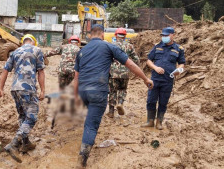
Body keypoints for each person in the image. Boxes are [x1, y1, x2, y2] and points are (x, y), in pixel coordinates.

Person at [74, 24, 153, 167]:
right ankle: (83, 157)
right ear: (103, 34)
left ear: (90, 35)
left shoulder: (82, 51)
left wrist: (75, 96)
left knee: (90, 117)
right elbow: (130, 64)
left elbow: (76, 77)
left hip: (82, 91)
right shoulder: (109, 46)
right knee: (91, 125)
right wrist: (145, 79)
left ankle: (87, 131)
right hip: (98, 90)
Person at [0, 34, 45, 163]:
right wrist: (43, 90)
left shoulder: (15, 51)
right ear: (34, 42)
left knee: (23, 116)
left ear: (22, 42)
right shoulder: (37, 50)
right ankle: (14, 144)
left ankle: (26, 143)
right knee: (32, 117)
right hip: (28, 88)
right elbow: (41, 72)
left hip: (15, 89)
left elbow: (5, 71)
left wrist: (0, 89)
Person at [142, 27, 185, 130]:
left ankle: (159, 122)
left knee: (163, 102)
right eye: (163, 36)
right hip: (155, 79)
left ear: (173, 35)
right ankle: (150, 121)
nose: (164, 37)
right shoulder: (157, 46)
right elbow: (148, 61)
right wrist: (155, 67)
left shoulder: (179, 49)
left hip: (168, 80)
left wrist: (178, 70)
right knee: (151, 100)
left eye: (167, 35)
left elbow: (182, 63)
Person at [107, 28, 140, 118]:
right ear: (125, 36)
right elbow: (136, 59)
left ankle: (111, 112)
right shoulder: (129, 46)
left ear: (115, 35)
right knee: (122, 89)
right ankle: (120, 103)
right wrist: (137, 70)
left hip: (113, 72)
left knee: (112, 91)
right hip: (125, 73)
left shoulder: (111, 45)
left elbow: (106, 59)